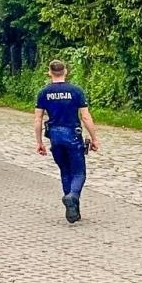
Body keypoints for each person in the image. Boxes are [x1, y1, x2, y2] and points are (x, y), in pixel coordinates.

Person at [34, 59, 100, 223]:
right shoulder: (76, 91)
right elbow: (85, 117)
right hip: (72, 135)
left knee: (65, 171)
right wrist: (94, 138)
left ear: (50, 72)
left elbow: (38, 119)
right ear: (66, 71)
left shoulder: (44, 92)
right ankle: (72, 196)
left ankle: (73, 211)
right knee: (79, 173)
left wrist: (39, 142)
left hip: (55, 136)